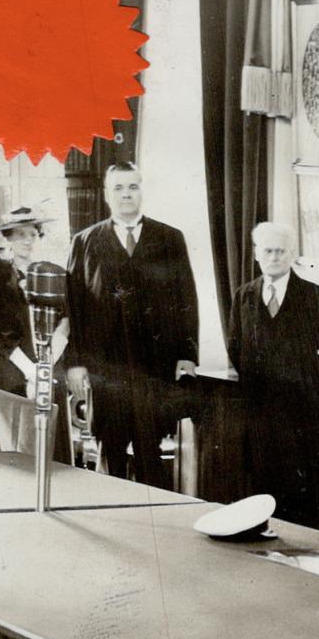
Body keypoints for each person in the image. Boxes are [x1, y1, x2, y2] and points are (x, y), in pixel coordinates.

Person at [63, 162, 199, 486]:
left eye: (132, 187)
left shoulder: (169, 239)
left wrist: (187, 355)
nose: (126, 194)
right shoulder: (85, 242)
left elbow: (186, 300)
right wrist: (76, 363)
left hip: (154, 367)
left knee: (151, 449)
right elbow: (74, 307)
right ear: (108, 195)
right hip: (105, 369)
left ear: (142, 191)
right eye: (119, 189)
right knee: (109, 449)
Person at [227, 222, 319, 530]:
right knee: (261, 488)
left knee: (299, 495)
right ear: (256, 254)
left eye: (282, 251)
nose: (275, 257)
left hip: (303, 414)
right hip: (259, 413)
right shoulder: (244, 296)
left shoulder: (316, 297)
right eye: (268, 250)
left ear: (292, 254)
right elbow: (236, 348)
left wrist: (311, 390)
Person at [0, 206, 62, 395]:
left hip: (50, 368)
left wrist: (45, 367)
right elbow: (0, 334)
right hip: (12, 370)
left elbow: (65, 323)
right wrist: (31, 371)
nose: (27, 241)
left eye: (33, 234)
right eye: (20, 234)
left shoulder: (53, 274)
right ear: (8, 238)